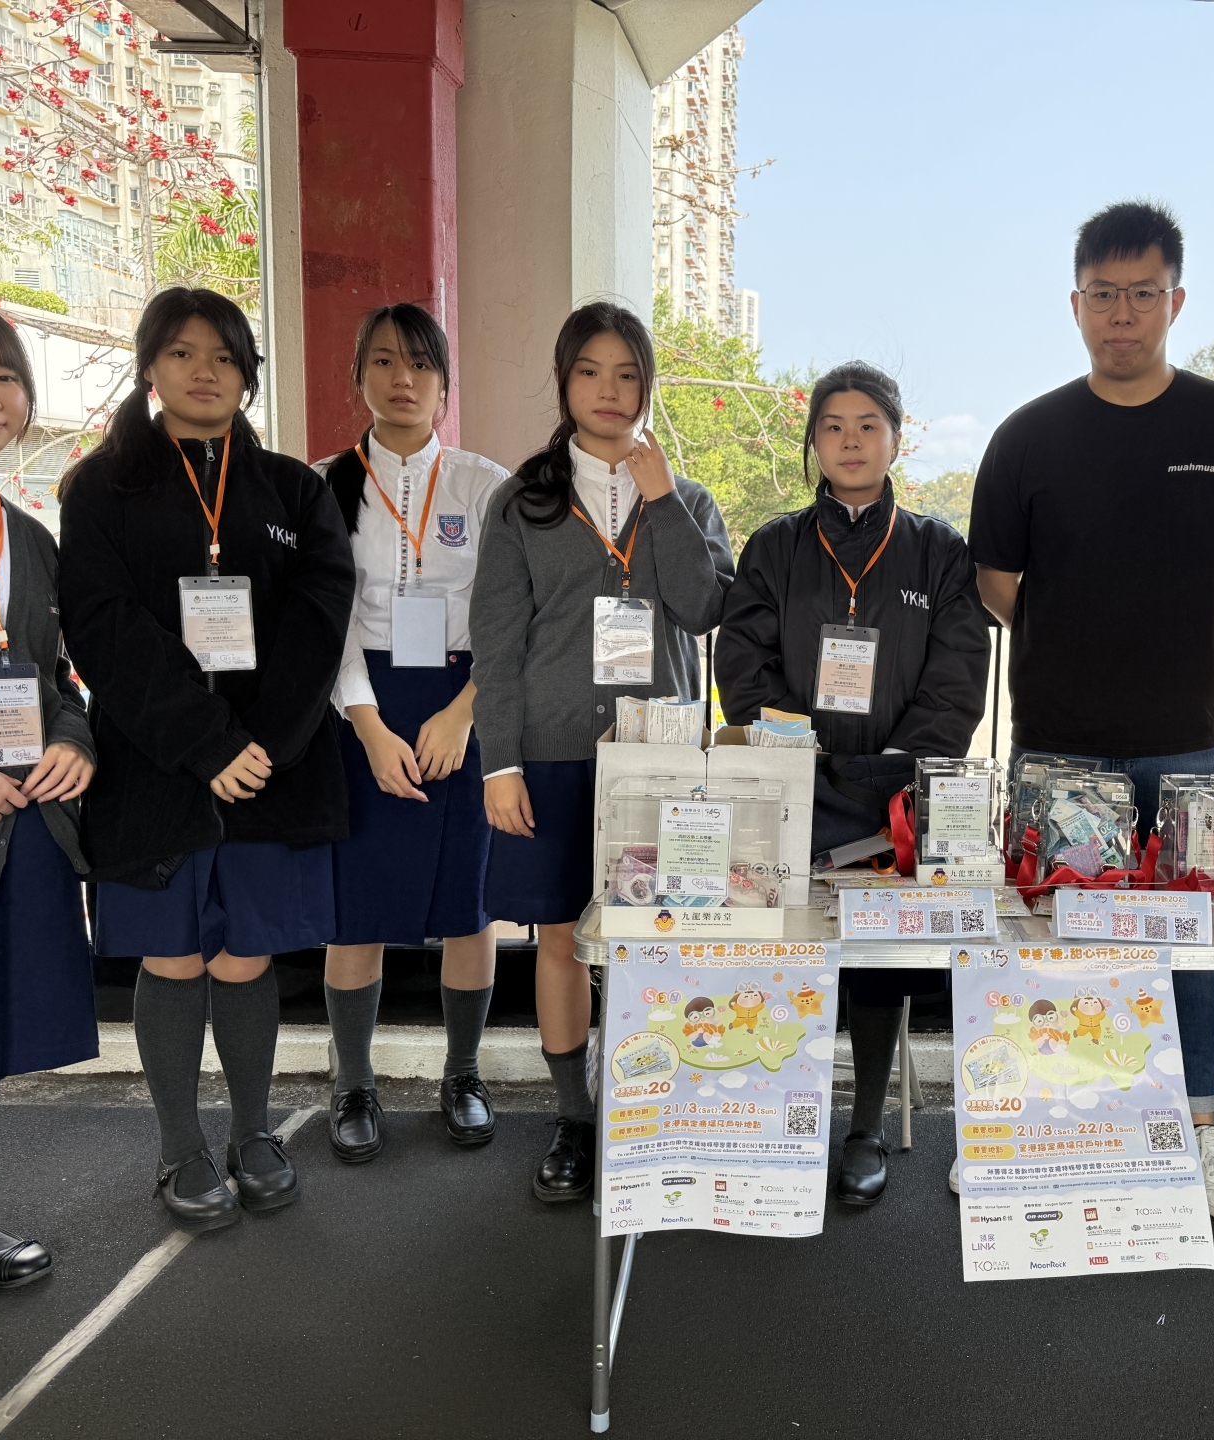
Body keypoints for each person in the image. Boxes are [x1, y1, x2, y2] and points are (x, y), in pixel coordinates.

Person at [967, 200, 1214, 1223]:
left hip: (1185, 743)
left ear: (1175, 301)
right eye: (1103, 295)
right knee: (1050, 935)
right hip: (1057, 743)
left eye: (1142, 293)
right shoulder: (1028, 436)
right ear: (1075, 304)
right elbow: (998, 584)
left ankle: (1197, 1130)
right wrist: (1083, 637)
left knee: (1192, 942)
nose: (1122, 314)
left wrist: (1175, 633)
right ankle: (1035, 1121)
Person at [59, 288, 355, 1233]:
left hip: (271, 766)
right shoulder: (101, 487)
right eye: (183, 353)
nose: (204, 371)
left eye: (225, 356)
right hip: (157, 765)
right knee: (175, 954)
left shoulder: (295, 491)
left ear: (247, 374)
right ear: (150, 365)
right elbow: (102, 627)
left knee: (246, 953)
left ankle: (254, 1132)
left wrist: (258, 744)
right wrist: (206, 742)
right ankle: (180, 1145)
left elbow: (320, 621)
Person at [471, 301, 733, 1204]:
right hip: (548, 756)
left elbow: (705, 609)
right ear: (565, 382)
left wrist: (662, 500)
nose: (609, 390)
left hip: (661, 761)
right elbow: (496, 643)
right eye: (590, 372)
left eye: (627, 374)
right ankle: (574, 1120)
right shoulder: (523, 500)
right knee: (561, 939)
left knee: (663, 937)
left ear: (647, 385)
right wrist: (499, 764)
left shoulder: (687, 499)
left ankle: (655, 1106)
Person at [715, 361, 990, 1206]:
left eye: (869, 424)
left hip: (893, 796)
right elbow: (744, 663)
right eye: (832, 426)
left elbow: (956, 679)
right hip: (794, 788)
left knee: (877, 958)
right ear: (813, 442)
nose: (850, 441)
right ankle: (779, 1112)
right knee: (787, 949)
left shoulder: (939, 551)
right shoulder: (775, 546)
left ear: (896, 439)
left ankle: (864, 1125)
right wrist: (798, 755)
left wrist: (889, 771)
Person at [315, 304, 511, 1163]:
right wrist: (367, 725)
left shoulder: (484, 485)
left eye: (422, 364)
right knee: (355, 910)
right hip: (360, 708)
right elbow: (321, 622)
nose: (403, 379)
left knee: (470, 906)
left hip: (465, 703)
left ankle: (462, 1075)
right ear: (358, 375)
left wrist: (465, 710)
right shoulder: (321, 485)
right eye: (385, 362)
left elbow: (513, 614)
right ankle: (352, 1083)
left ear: (444, 383)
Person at [0, 296, 98, 1337]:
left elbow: (56, 681)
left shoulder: (29, 537)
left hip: (20, 828)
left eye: (4, 376)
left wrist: (75, 741)